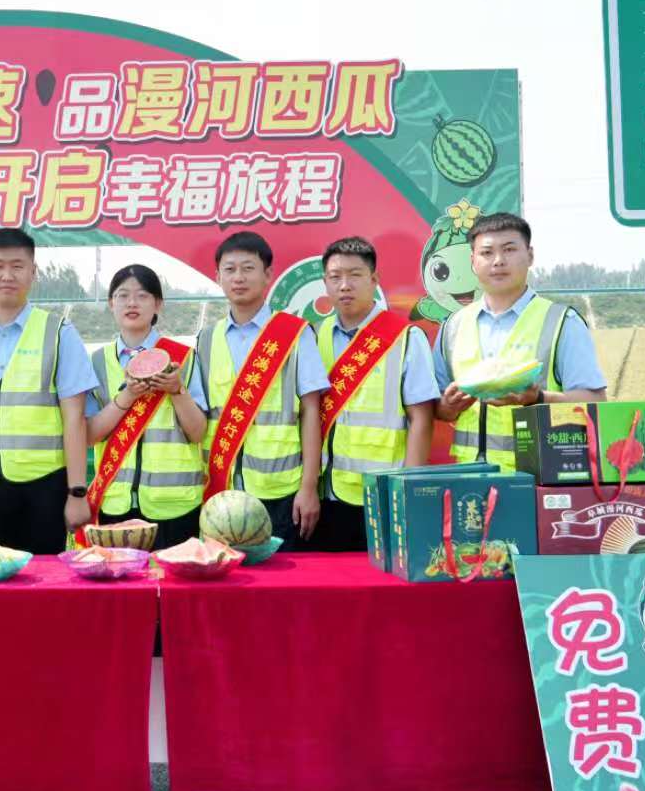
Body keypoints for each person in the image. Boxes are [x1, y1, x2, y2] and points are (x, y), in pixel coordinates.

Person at [0, 228, 99, 555]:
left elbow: (75, 420)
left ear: (33, 272)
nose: (7, 275)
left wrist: (76, 493)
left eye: (17, 266)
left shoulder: (59, 332)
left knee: (42, 581)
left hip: (42, 488)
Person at [432, 211, 607, 470]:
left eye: (509, 249)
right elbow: (437, 406)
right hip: (470, 478)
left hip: (539, 476)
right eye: (487, 253)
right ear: (473, 262)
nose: (498, 261)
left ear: (530, 255)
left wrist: (539, 398)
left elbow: (595, 402)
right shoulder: (453, 326)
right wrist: (447, 407)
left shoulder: (561, 322)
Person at [194, 231, 328, 550]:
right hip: (222, 487)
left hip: (280, 489)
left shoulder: (294, 334)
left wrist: (309, 487)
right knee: (224, 575)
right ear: (218, 276)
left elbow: (312, 411)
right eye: (229, 269)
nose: (238, 277)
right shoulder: (206, 339)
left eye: (248, 268)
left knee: (280, 576)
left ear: (268, 275)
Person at [312, 237, 439, 551]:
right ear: (325, 282)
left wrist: (408, 491)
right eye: (335, 277)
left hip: (384, 494)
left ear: (374, 279)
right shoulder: (315, 335)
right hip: (326, 494)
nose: (344, 285)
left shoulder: (405, 337)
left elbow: (422, 419)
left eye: (355, 275)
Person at [85, 265, 209, 550]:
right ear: (111, 303)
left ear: (158, 304)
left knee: (173, 578)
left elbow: (198, 432)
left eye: (142, 295)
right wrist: (127, 397)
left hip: (174, 503)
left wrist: (176, 391)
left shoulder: (184, 358)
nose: (132, 303)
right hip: (115, 502)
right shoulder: (97, 361)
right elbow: (89, 435)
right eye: (122, 295)